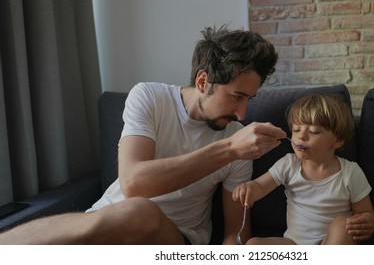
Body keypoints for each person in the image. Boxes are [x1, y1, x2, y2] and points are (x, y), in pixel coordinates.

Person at [0, 26, 285, 245]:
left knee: (139, 212)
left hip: (174, 240)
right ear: (202, 81)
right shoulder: (150, 97)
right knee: (127, 212)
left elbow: (236, 230)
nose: (243, 114)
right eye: (237, 96)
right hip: (104, 223)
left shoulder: (240, 140)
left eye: (250, 98)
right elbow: (134, 182)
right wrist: (229, 149)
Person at [232, 94, 374, 245]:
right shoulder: (289, 164)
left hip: (329, 243)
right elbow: (261, 186)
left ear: (338, 140)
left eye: (313, 131)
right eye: (296, 129)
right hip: (294, 244)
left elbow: (365, 213)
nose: (301, 136)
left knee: (343, 226)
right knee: (253, 245)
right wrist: (248, 189)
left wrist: (366, 221)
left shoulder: (350, 172)